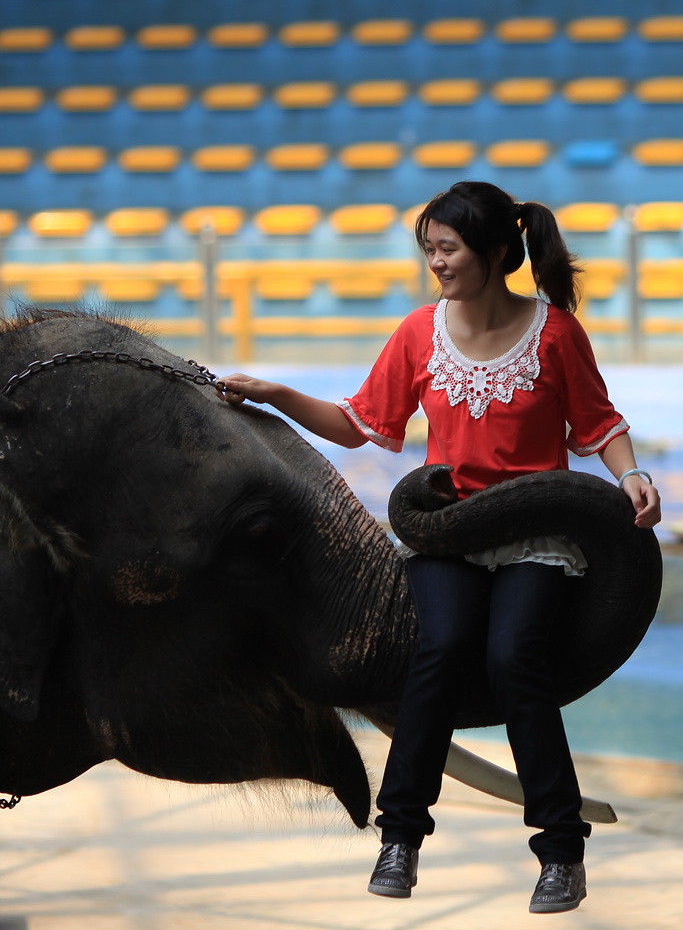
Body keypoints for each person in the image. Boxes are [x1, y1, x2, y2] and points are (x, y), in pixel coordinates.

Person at [217, 181, 661, 914]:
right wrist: (273, 392)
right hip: (447, 532)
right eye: (428, 250)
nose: (435, 264)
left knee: (515, 658)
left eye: (446, 249)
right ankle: (401, 837)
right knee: (440, 650)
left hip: (535, 537)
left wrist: (633, 474)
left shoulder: (555, 336)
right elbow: (359, 421)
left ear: (494, 253)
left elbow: (597, 424)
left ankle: (560, 851)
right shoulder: (418, 333)